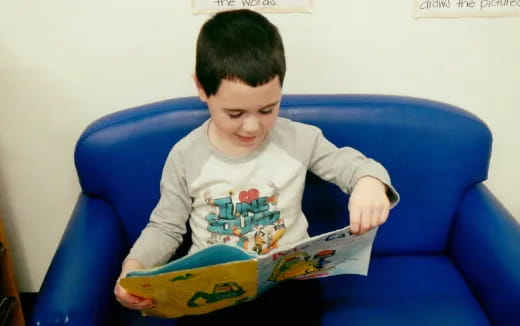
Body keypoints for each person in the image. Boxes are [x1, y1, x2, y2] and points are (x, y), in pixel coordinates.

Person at [114, 9, 399, 313]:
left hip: (287, 282)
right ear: (201, 88)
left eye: (267, 110)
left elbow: (353, 166)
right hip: (214, 288)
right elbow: (166, 226)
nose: (252, 127)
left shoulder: (300, 139)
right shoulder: (186, 156)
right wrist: (134, 267)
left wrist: (369, 181)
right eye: (234, 114)